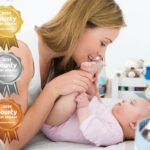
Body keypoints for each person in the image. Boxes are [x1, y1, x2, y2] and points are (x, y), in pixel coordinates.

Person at [4, 0, 125, 149]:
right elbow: (10, 143)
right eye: (103, 43)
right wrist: (52, 89)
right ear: (80, 25)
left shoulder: (62, 61)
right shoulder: (18, 55)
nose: (102, 55)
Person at [41, 61, 150, 146]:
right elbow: (97, 105)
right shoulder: (114, 117)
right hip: (65, 114)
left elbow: (91, 129)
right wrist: (93, 94)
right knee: (90, 92)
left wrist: (83, 106)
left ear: (134, 124)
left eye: (131, 103)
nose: (123, 100)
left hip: (57, 125)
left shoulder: (114, 135)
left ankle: (85, 74)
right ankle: (88, 74)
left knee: (76, 92)